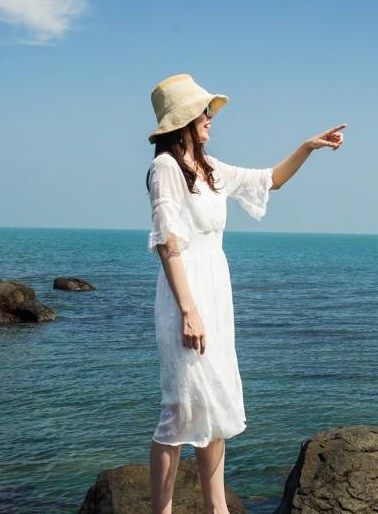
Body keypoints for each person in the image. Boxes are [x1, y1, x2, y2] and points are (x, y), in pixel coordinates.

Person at [144, 73, 345, 514]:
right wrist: (189, 310)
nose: (211, 119)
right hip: (186, 294)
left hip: (215, 290)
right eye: (204, 112)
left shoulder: (211, 169)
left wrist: (307, 148)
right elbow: (167, 242)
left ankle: (217, 509)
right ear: (184, 120)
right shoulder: (164, 168)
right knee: (179, 408)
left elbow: (269, 180)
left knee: (213, 403)